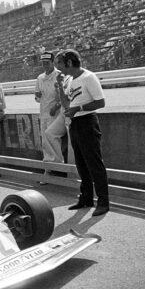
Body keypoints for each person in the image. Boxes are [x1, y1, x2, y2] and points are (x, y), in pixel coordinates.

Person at [59, 49, 109, 216]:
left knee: (94, 163)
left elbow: (101, 102)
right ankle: (86, 197)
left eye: (61, 63)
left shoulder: (88, 77)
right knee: (81, 163)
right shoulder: (68, 80)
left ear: (70, 63)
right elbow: (67, 104)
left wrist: (78, 108)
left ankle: (103, 201)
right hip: (75, 122)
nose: (59, 68)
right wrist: (59, 87)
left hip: (88, 122)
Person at [34, 51, 66, 184]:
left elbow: (64, 95)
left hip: (56, 114)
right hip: (44, 114)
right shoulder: (40, 78)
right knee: (45, 143)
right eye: (43, 63)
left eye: (47, 63)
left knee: (53, 140)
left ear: (53, 62)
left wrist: (56, 106)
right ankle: (48, 170)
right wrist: (37, 96)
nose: (45, 65)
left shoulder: (59, 76)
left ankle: (58, 169)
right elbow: (36, 96)